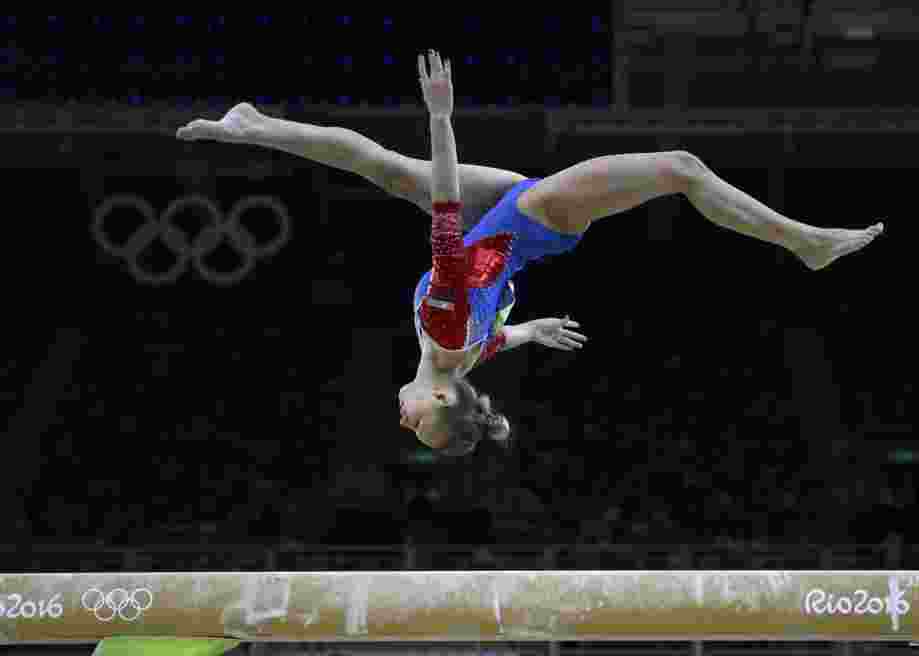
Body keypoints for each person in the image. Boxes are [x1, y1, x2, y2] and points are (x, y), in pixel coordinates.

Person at [177, 50, 883, 456]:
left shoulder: (455, 355)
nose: (403, 418)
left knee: (385, 169)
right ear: (444, 397)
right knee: (682, 167)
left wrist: (530, 332)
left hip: (503, 225)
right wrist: (442, 118)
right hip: (530, 220)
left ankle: (256, 127)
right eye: (420, 421)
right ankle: (807, 243)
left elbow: (493, 343)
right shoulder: (449, 334)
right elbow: (448, 210)